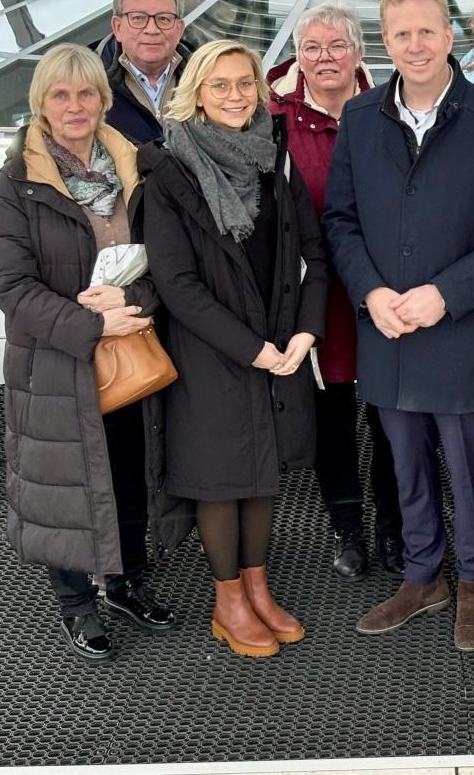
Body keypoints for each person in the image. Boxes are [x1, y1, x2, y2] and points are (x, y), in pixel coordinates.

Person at [323, 0, 474, 653]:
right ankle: (424, 575)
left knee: (469, 460)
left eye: (426, 31)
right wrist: (370, 293)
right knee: (404, 457)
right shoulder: (360, 117)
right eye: (400, 35)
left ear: (452, 37)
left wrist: (444, 293)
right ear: (384, 43)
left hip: (458, 327)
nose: (414, 45)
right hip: (385, 326)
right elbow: (341, 219)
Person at [0, 43, 177, 661]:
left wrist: (133, 310)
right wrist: (92, 327)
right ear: (41, 102)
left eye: (87, 93)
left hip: (129, 347)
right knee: (64, 481)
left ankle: (124, 582)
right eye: (61, 95)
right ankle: (76, 602)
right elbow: (10, 284)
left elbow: (163, 259)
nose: (75, 106)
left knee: (126, 470)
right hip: (55, 360)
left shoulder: (132, 168)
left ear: (104, 98)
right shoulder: (16, 181)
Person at [139, 39, 328, 658]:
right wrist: (251, 349)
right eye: (219, 85)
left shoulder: (276, 160)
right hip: (210, 351)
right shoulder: (169, 169)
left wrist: (304, 332)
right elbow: (177, 284)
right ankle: (227, 602)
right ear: (196, 89)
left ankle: (258, 588)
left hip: (279, 342)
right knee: (219, 478)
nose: (235, 95)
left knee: (261, 474)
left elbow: (314, 255)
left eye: (245, 83)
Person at [266, 1, 405, 582]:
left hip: (384, 289)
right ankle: (348, 528)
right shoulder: (274, 117)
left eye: (336, 46)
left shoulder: (393, 108)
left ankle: (395, 526)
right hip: (316, 293)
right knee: (332, 416)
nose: (325, 58)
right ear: (299, 56)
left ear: (358, 52)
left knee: (393, 418)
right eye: (313, 48)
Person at [98, 0, 195, 145]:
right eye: (138, 18)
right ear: (117, 27)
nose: (152, 29)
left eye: (164, 19)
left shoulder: (208, 76)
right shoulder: (89, 84)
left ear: (179, 30)